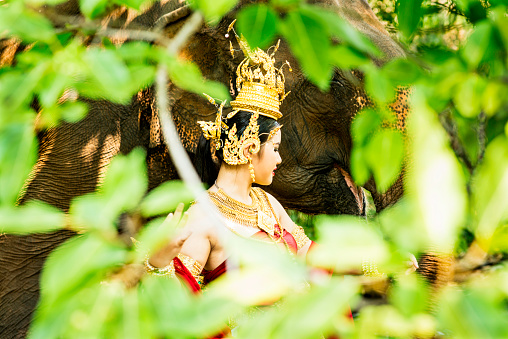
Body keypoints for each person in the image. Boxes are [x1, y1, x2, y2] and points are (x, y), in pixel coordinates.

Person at [145, 38, 314, 293]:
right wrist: (158, 263)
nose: (279, 159)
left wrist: (374, 261)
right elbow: (180, 302)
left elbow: (313, 259)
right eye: (276, 149)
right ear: (249, 149)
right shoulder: (201, 217)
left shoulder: (267, 204)